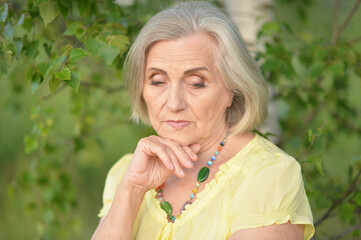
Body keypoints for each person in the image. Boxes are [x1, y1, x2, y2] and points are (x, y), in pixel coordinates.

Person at [92, 1, 314, 239]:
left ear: (233, 88)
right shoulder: (127, 172)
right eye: (157, 81)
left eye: (196, 83)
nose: (174, 103)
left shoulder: (269, 175)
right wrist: (132, 189)